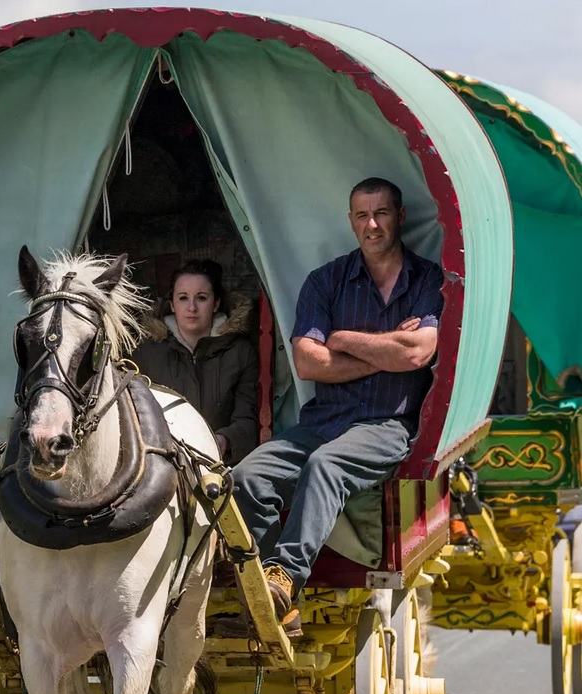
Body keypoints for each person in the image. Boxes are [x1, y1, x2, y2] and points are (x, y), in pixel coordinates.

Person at [233, 177, 443, 635]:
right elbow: (308, 363)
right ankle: (268, 598)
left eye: (382, 213)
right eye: (362, 215)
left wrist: (343, 340)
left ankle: (285, 575)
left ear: (400, 217)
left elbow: (417, 354)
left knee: (326, 465)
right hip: (323, 420)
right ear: (351, 221)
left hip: (387, 425)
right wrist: (386, 351)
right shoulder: (325, 282)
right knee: (247, 476)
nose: (372, 224)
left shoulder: (427, 278)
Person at [133, 258, 258, 464]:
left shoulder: (239, 352)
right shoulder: (145, 354)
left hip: (222, 465)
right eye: (183, 298)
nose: (191, 307)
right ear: (172, 305)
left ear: (215, 303)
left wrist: (224, 440)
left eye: (201, 298)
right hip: (164, 465)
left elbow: (247, 418)